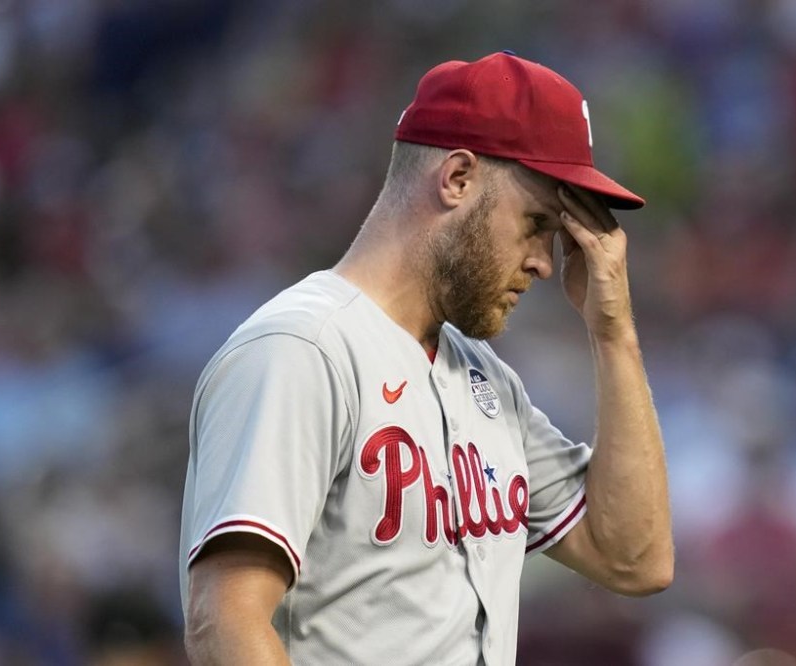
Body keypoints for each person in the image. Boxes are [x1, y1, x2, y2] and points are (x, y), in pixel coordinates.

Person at [179, 51, 674, 665]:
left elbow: (635, 558)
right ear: (458, 178)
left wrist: (614, 334)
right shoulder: (302, 350)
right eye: (537, 222)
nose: (547, 262)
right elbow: (224, 622)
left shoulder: (487, 381)